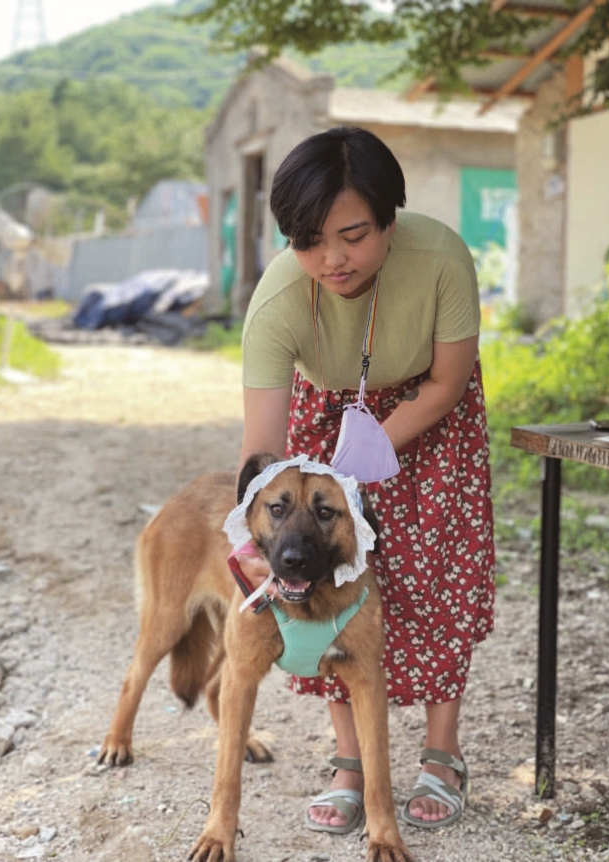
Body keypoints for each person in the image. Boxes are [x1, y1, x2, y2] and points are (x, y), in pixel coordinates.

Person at [235, 126, 495, 834]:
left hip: (430, 417)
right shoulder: (281, 296)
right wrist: (250, 538)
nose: (331, 258)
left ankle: (441, 753)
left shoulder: (441, 256)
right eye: (308, 240)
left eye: (351, 234)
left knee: (437, 575)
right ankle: (349, 760)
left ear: (389, 216)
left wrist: (374, 449)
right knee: (321, 577)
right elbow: (260, 451)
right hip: (328, 416)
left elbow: (447, 380)